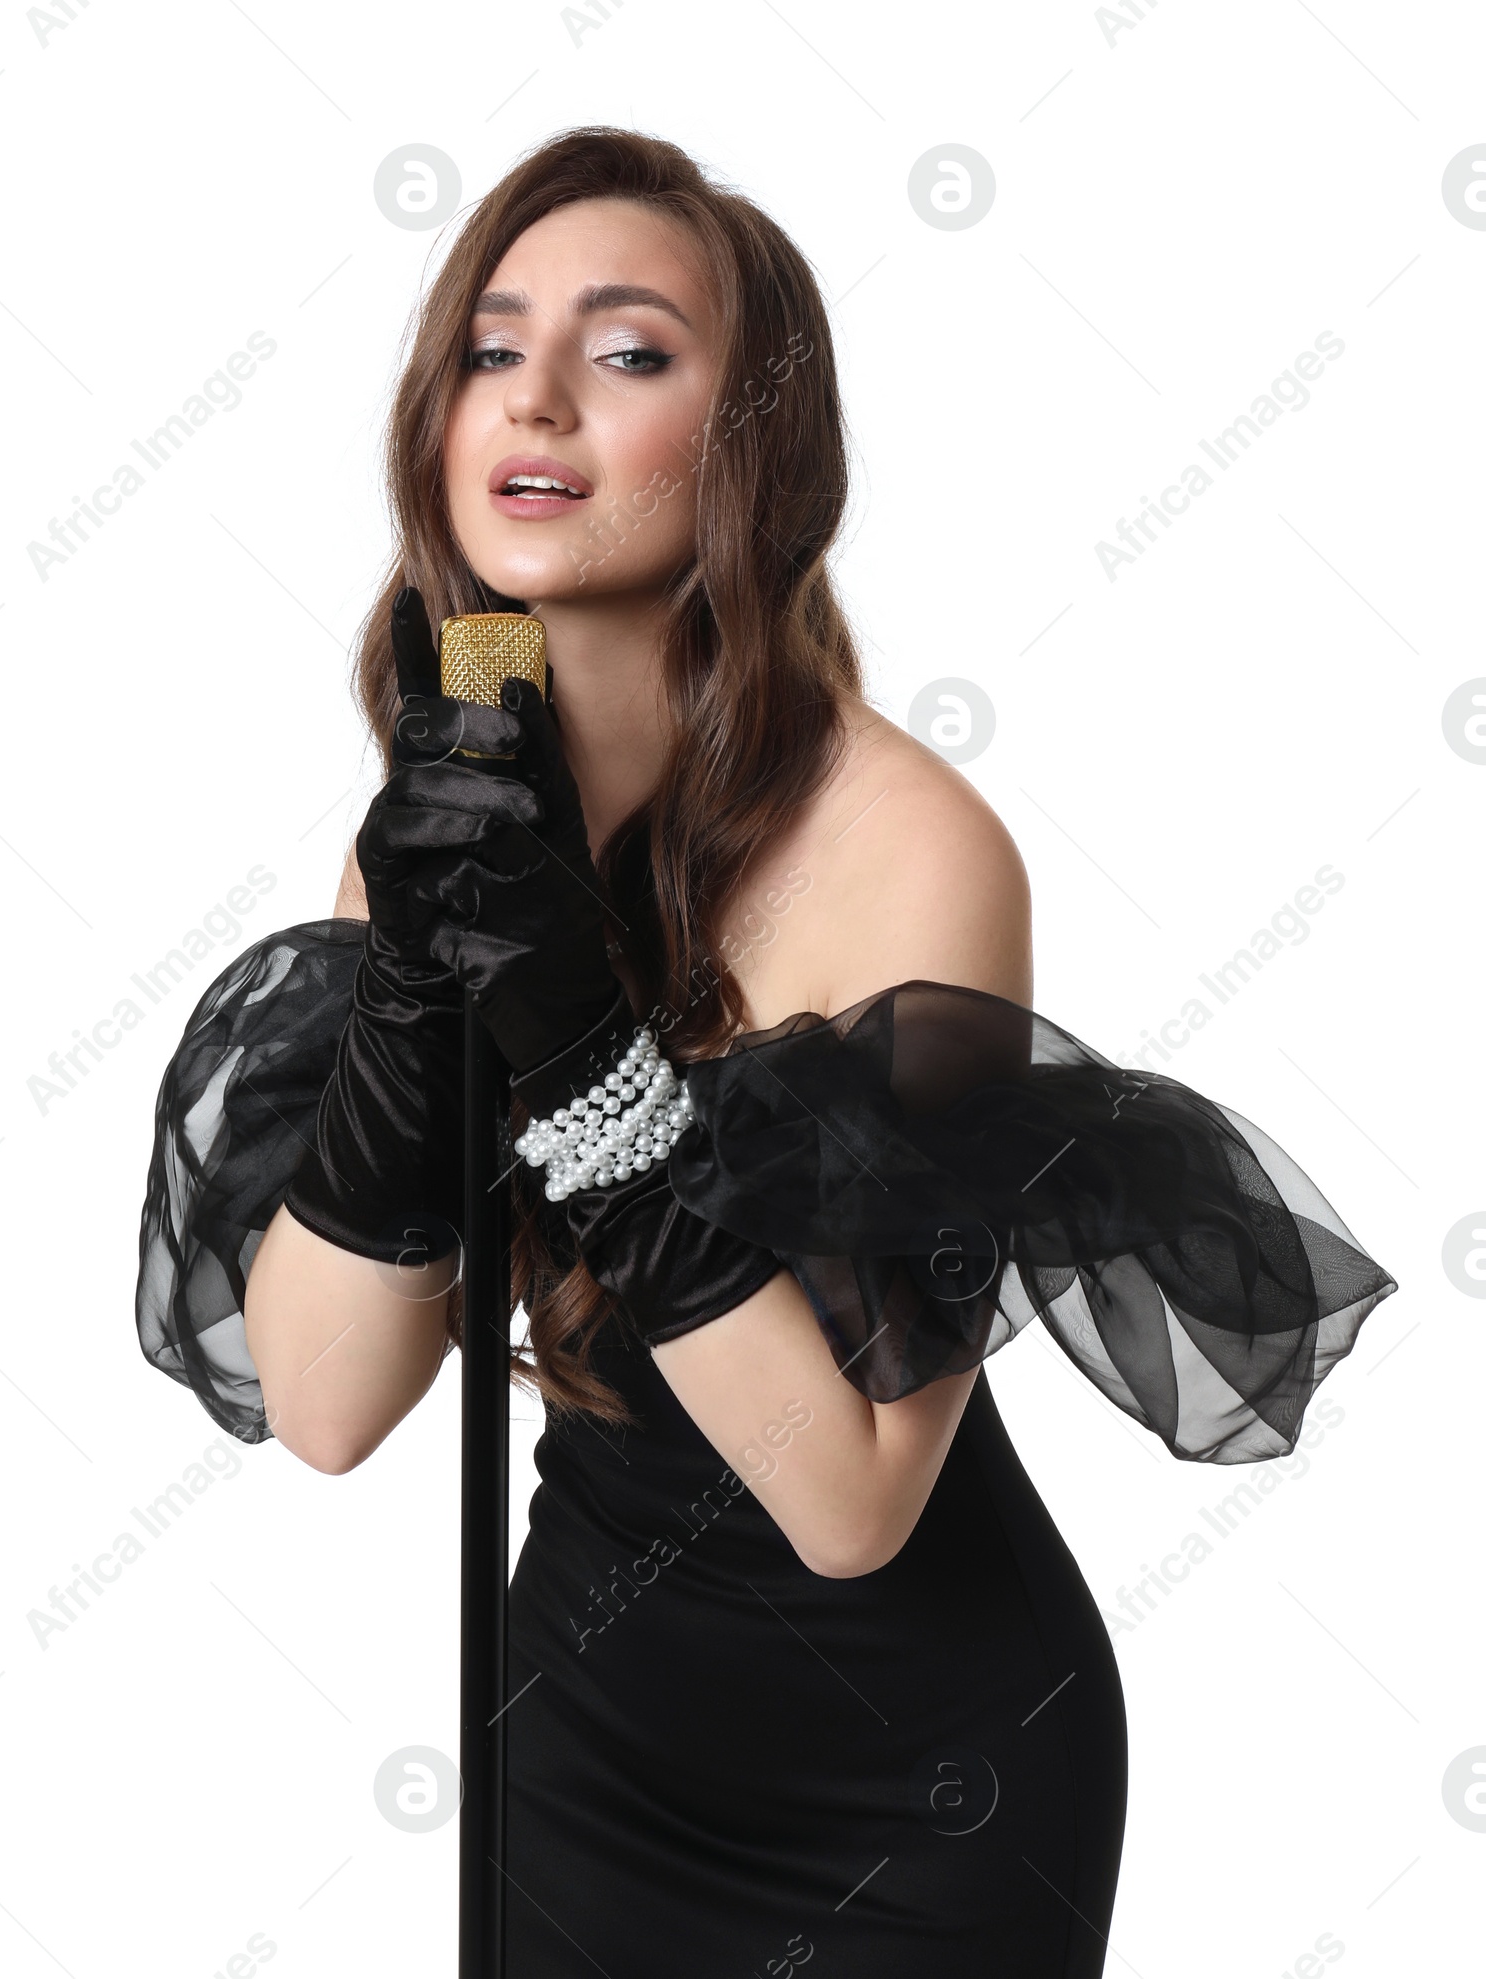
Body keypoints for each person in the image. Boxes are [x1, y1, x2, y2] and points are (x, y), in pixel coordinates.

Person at [135, 127, 1397, 1976]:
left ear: (752, 449)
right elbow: (326, 1409)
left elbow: (850, 1500)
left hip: (925, 1792)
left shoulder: (912, 853)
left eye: (631, 352)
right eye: (490, 349)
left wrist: (575, 1044)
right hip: (584, 1733)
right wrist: (418, 984)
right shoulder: (439, 830)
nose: (539, 397)